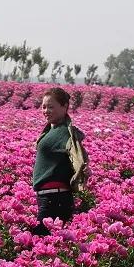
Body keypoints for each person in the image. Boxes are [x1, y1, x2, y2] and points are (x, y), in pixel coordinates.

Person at [32, 87, 89, 235]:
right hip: (49, 197)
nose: (46, 110)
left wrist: (82, 169)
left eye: (51, 107)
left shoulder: (65, 132)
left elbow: (77, 153)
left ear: (64, 107)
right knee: (44, 239)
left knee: (40, 239)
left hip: (54, 198)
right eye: (44, 107)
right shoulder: (52, 130)